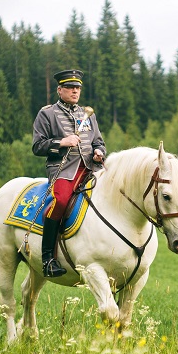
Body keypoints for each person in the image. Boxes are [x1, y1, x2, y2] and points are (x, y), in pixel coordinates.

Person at [32, 69, 106, 277]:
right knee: (61, 201)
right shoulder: (46, 114)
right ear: (60, 89)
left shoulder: (87, 114)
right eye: (70, 87)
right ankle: (48, 259)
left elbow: (98, 141)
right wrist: (61, 142)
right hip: (64, 170)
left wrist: (100, 151)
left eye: (78, 88)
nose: (75, 91)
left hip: (91, 168)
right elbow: (38, 146)